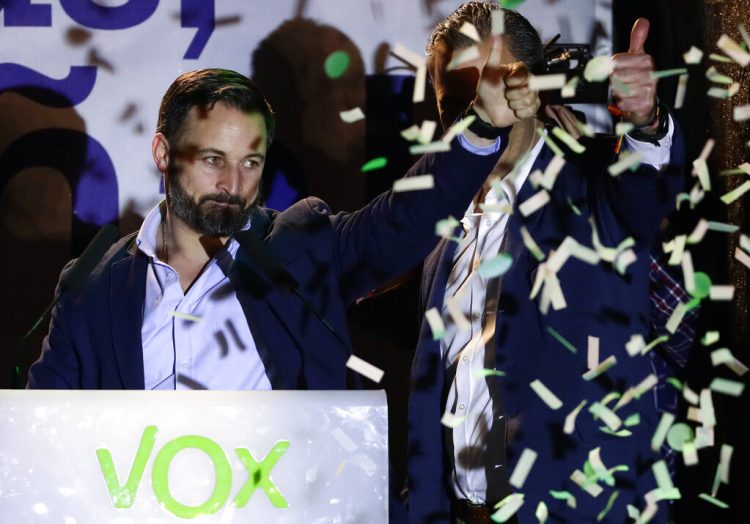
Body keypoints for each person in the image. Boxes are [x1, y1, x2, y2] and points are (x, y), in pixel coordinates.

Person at [27, 65, 539, 394]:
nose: (233, 182)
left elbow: (400, 221)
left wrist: (481, 127)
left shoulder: (300, 248)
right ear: (163, 153)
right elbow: (46, 436)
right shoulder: (90, 287)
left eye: (251, 162)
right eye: (212, 159)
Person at [403, 3, 686, 523]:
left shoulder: (594, 186)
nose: (480, 110)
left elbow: (647, 188)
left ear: (534, 88)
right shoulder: (434, 215)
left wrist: (646, 120)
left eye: (494, 86)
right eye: (456, 102)